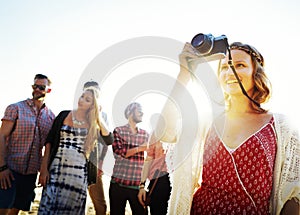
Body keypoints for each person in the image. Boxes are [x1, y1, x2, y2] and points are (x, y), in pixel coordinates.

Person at [159, 41, 299, 214]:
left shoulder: (282, 126)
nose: (229, 71)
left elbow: (293, 194)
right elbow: (164, 132)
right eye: (224, 67)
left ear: (256, 72)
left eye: (239, 65)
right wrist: (184, 74)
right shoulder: (206, 120)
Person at [38, 85, 113, 215]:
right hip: (56, 170)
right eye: (82, 96)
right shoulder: (63, 115)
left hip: (78, 175)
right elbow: (49, 142)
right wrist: (44, 169)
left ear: (92, 105)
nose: (82, 100)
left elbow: (109, 139)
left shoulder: (93, 124)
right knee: (48, 208)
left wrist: (98, 116)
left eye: (87, 99)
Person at [0, 74, 55, 215]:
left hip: (30, 174)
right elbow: (2, 136)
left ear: (48, 91)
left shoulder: (51, 117)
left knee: (15, 210)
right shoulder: (16, 108)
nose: (37, 89)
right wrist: (2, 167)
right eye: (35, 86)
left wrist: (44, 170)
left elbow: (47, 146)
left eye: (41, 87)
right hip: (9, 170)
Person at [109, 102, 149, 215]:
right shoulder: (118, 131)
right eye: (139, 110)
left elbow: (149, 157)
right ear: (130, 112)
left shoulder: (145, 134)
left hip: (136, 187)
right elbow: (120, 153)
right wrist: (140, 148)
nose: (142, 113)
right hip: (118, 185)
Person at [83, 81, 110, 215]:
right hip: (77, 164)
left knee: (101, 206)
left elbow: (106, 142)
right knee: (78, 203)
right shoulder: (75, 114)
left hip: (94, 164)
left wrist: (101, 163)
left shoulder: (103, 116)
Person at [137, 137, 172, 215]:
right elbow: (148, 160)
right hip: (158, 180)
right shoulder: (156, 134)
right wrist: (142, 185)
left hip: (176, 180)